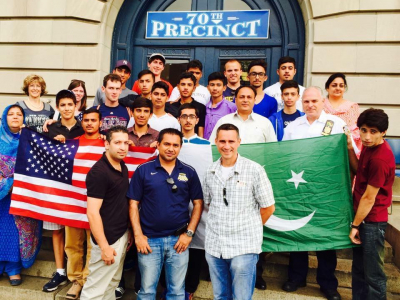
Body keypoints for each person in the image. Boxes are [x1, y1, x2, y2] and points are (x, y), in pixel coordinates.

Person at [282, 86, 358, 300]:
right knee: (298, 231)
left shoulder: (336, 125)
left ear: (322, 101)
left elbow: (347, 154)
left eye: (314, 101)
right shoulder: (293, 127)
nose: (310, 105)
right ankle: (297, 277)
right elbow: (285, 155)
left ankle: (328, 283)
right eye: (306, 102)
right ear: (301, 103)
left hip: (326, 190)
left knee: (326, 235)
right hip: (299, 187)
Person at [128, 128, 203, 299]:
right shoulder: (144, 170)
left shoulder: (189, 172)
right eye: (167, 144)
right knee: (146, 291)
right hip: (149, 241)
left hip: (179, 242)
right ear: (158, 145)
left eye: (175, 145)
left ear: (180, 147)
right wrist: (138, 235)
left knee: (176, 291)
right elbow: (133, 203)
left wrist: (189, 234)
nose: (171, 148)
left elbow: (198, 204)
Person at [203, 123, 275, 299]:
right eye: (222, 141)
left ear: (239, 142)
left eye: (231, 141)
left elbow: (268, 207)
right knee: (221, 296)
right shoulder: (210, 171)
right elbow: (210, 204)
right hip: (215, 246)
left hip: (244, 246)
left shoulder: (254, 170)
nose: (226, 146)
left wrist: (250, 227)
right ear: (215, 142)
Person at [347, 108, 395, 300]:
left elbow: (369, 197)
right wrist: (351, 148)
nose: (366, 136)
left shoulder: (380, 158)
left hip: (372, 221)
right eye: (363, 130)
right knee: (359, 269)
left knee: (374, 275)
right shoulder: (369, 147)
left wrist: (355, 225)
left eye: (373, 131)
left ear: (383, 132)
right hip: (363, 218)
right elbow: (359, 171)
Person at [80, 126, 132, 300]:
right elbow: (92, 213)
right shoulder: (99, 173)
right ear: (106, 144)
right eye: (117, 142)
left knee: (112, 285)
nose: (122, 147)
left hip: (120, 235)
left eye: (126, 143)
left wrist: (127, 232)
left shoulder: (121, 165)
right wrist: (104, 247)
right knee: (94, 291)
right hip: (107, 240)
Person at [41, 90, 85, 293]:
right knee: (57, 230)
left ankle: (80, 275)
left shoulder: (84, 127)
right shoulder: (50, 128)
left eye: (71, 104)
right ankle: (60, 270)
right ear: (58, 107)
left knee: (78, 231)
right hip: (56, 187)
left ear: (76, 106)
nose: (67, 108)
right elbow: (40, 153)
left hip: (79, 188)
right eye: (63, 105)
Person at [0, 105, 42, 287]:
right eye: (11, 114)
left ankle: (13, 269)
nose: (15, 117)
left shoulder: (30, 139)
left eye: (19, 114)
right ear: (4, 118)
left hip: (22, 196)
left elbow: (40, 163)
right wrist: (5, 182)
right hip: (1, 196)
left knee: (17, 232)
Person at [64, 107, 102, 300]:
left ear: (100, 123)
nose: (89, 123)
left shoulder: (107, 143)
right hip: (72, 202)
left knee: (92, 245)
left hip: (96, 205)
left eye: (93, 120)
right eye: (86, 120)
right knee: (72, 245)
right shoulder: (71, 144)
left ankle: (88, 280)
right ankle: (76, 281)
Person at [177, 103, 210, 299]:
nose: (188, 120)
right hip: (174, 203)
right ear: (179, 119)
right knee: (174, 247)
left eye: (192, 116)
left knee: (196, 247)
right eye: (184, 116)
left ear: (197, 120)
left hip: (199, 203)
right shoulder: (171, 142)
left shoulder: (207, 145)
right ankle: (171, 287)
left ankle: (190, 288)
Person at [209, 86, 277, 144]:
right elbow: (212, 146)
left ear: (254, 100)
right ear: (235, 100)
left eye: (249, 97)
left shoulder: (265, 123)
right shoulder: (223, 121)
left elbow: (272, 150)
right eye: (242, 97)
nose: (245, 100)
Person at [324, 73, 361, 150]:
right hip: (323, 146)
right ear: (327, 88)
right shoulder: (320, 105)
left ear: (344, 88)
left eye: (341, 86)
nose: (338, 88)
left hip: (345, 147)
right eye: (334, 85)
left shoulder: (352, 107)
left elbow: (355, 131)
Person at [169, 72, 206, 137]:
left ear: (194, 88)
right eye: (183, 84)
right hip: (174, 143)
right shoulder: (170, 107)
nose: (186, 88)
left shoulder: (201, 107)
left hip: (194, 144)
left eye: (189, 85)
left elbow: (200, 131)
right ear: (178, 87)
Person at [204, 72, 236, 140]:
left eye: (218, 85)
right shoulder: (204, 107)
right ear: (208, 87)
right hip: (205, 145)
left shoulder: (232, 107)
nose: (215, 88)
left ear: (224, 88)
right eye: (212, 85)